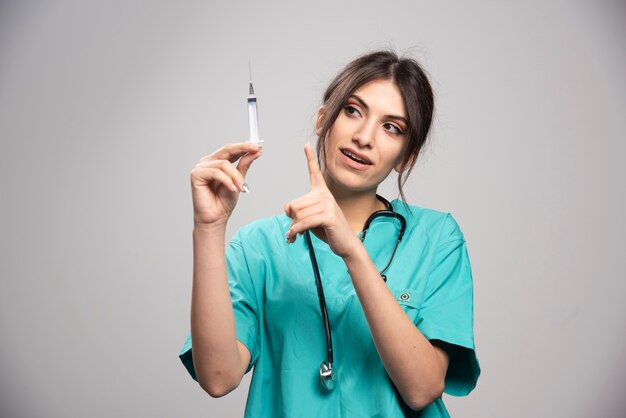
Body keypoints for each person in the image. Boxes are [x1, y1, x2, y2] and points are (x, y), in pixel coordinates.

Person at [179, 50, 480, 417]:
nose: (364, 137)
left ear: (407, 156)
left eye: (391, 127)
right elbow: (217, 377)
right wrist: (208, 228)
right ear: (323, 120)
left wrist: (352, 252)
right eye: (353, 110)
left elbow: (422, 389)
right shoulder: (259, 248)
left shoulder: (437, 239)